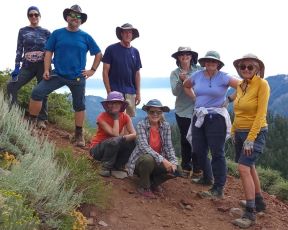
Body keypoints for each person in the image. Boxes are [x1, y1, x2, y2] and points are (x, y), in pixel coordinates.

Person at [28, 5, 102, 147]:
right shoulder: (57, 33)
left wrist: (92, 70)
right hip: (58, 74)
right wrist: (46, 69)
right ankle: (32, 124)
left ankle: (79, 135)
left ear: (81, 20)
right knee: (37, 92)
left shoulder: (86, 37)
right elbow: (48, 52)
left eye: (78, 16)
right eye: (72, 15)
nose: (75, 18)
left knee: (79, 105)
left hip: (77, 77)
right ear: (67, 17)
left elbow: (98, 53)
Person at [183, 51, 239, 199]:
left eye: (213, 61)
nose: (210, 63)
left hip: (216, 117)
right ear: (204, 62)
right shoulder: (197, 75)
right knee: (198, 149)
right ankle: (207, 178)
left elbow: (243, 86)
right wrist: (194, 98)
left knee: (217, 152)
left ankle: (218, 188)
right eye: (208, 61)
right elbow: (186, 85)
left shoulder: (224, 77)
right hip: (199, 116)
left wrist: (229, 99)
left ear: (218, 64)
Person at [231, 54, 269, 228]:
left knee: (243, 167)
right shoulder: (241, 85)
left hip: (255, 132)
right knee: (250, 165)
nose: (245, 69)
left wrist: (250, 139)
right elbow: (238, 111)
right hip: (240, 131)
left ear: (258, 69)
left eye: (250, 67)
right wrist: (233, 130)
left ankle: (250, 213)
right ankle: (259, 202)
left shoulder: (262, 84)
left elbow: (261, 114)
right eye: (242, 66)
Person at [127, 99, 181, 198]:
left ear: (162, 113)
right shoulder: (141, 125)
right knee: (148, 159)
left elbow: (169, 147)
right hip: (141, 161)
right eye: (152, 112)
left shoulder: (165, 126)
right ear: (147, 112)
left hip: (157, 160)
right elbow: (144, 147)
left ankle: (153, 183)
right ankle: (144, 186)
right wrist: (163, 160)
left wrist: (173, 163)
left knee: (177, 169)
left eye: (158, 112)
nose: (155, 114)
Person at [7, 6, 50, 129]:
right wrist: (16, 66)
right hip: (27, 65)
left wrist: (52, 62)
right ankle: (13, 113)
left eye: (36, 14)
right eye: (31, 15)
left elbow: (52, 49)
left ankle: (42, 119)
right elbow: (19, 48)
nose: (33, 17)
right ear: (28, 17)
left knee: (43, 91)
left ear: (39, 16)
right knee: (11, 85)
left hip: (43, 65)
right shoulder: (22, 31)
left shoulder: (46, 32)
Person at [170, 46, 202, 178]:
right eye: (182, 54)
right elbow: (175, 92)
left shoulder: (200, 70)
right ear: (178, 57)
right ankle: (186, 167)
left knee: (198, 139)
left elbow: (203, 85)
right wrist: (180, 81)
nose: (185, 56)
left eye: (187, 54)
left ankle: (197, 168)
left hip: (200, 109)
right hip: (182, 111)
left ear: (191, 56)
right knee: (185, 138)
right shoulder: (175, 73)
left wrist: (188, 81)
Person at [89, 91, 136, 177]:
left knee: (132, 142)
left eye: (117, 103)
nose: (114, 105)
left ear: (121, 105)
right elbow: (114, 134)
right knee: (114, 141)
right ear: (107, 105)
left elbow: (134, 134)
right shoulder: (101, 117)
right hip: (97, 150)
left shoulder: (125, 117)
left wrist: (123, 139)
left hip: (113, 148)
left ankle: (118, 166)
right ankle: (104, 167)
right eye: (111, 103)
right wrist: (116, 117)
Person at [102, 23, 142, 117]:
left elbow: (137, 74)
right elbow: (105, 72)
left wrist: (138, 93)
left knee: (128, 120)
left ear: (132, 35)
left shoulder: (135, 52)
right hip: (115, 90)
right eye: (125, 32)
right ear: (121, 34)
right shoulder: (111, 49)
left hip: (131, 92)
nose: (128, 34)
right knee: (115, 119)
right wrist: (109, 91)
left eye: (130, 32)